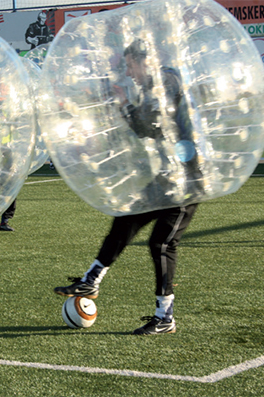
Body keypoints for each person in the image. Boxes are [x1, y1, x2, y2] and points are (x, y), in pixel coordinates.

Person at [54, 39, 203, 335]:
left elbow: (155, 118)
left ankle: (165, 317)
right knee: (126, 218)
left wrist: (127, 104)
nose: (129, 72)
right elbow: (144, 129)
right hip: (166, 177)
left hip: (187, 180)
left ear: (144, 60)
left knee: (161, 243)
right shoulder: (149, 89)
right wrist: (124, 106)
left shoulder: (167, 79)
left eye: (131, 65)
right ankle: (91, 280)